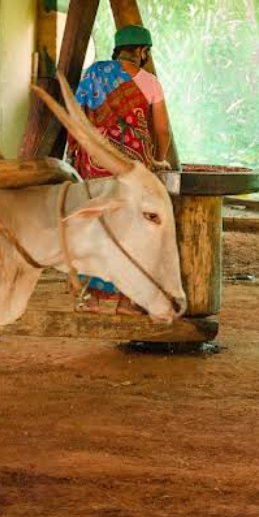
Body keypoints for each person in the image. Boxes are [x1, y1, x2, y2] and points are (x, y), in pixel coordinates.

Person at [68, 24, 172, 316]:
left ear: (117, 49)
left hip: (94, 166)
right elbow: (162, 130)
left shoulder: (94, 73)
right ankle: (128, 301)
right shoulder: (150, 81)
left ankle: (95, 299)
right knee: (132, 230)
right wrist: (156, 160)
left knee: (98, 226)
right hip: (132, 171)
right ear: (143, 51)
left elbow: (76, 116)